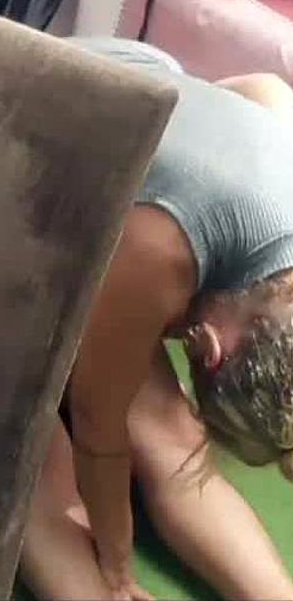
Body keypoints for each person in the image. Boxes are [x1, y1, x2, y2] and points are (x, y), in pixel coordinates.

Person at [20, 38, 293, 601]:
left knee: (171, 436)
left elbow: (264, 89)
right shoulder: (162, 248)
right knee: (35, 466)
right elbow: (99, 430)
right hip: (8, 190)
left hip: (124, 128)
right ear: (208, 347)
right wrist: (116, 565)